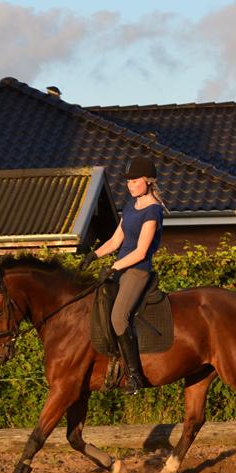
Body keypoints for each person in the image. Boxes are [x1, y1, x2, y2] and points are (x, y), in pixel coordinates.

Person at [79, 156, 165, 395]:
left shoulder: (153, 211)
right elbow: (117, 240)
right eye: (128, 181)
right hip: (121, 267)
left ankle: (135, 376)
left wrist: (114, 268)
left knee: (119, 317)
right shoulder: (130, 206)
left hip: (137, 271)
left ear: (147, 182)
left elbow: (140, 251)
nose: (130, 185)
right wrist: (93, 256)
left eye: (134, 181)